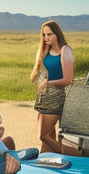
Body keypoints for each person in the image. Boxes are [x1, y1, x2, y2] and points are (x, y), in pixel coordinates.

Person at [30, 20, 74, 154]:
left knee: (43, 136)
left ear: (57, 34)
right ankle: (46, 165)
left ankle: (77, 155)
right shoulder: (46, 51)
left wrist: (47, 83)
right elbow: (33, 77)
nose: (46, 37)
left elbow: (68, 79)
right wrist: (43, 53)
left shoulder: (65, 50)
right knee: (47, 139)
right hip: (44, 99)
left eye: (49, 34)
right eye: (43, 35)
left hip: (56, 98)